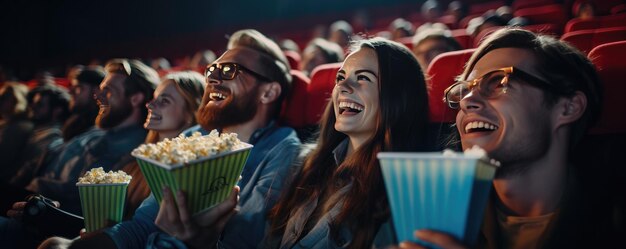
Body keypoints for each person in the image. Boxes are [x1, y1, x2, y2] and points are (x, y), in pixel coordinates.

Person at [38, 29, 302, 249]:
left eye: (230, 70)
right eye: (212, 71)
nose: (214, 79)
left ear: (268, 92)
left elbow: (244, 241)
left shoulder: (282, 148)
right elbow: (143, 224)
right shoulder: (192, 136)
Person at [398, 28, 623, 249]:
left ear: (567, 107)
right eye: (464, 90)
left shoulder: (613, 222)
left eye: (498, 82)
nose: (467, 101)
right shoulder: (437, 210)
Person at [0, 59, 158, 248]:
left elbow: (92, 204)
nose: (98, 95)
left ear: (136, 99)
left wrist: (44, 204)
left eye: (108, 90)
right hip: (26, 202)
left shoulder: (133, 148)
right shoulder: (95, 130)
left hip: (47, 226)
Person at [0, 83, 33, 182]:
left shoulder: (20, 127)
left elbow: (3, 159)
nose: (0, 101)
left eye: (5, 98)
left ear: (18, 101)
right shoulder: (7, 123)